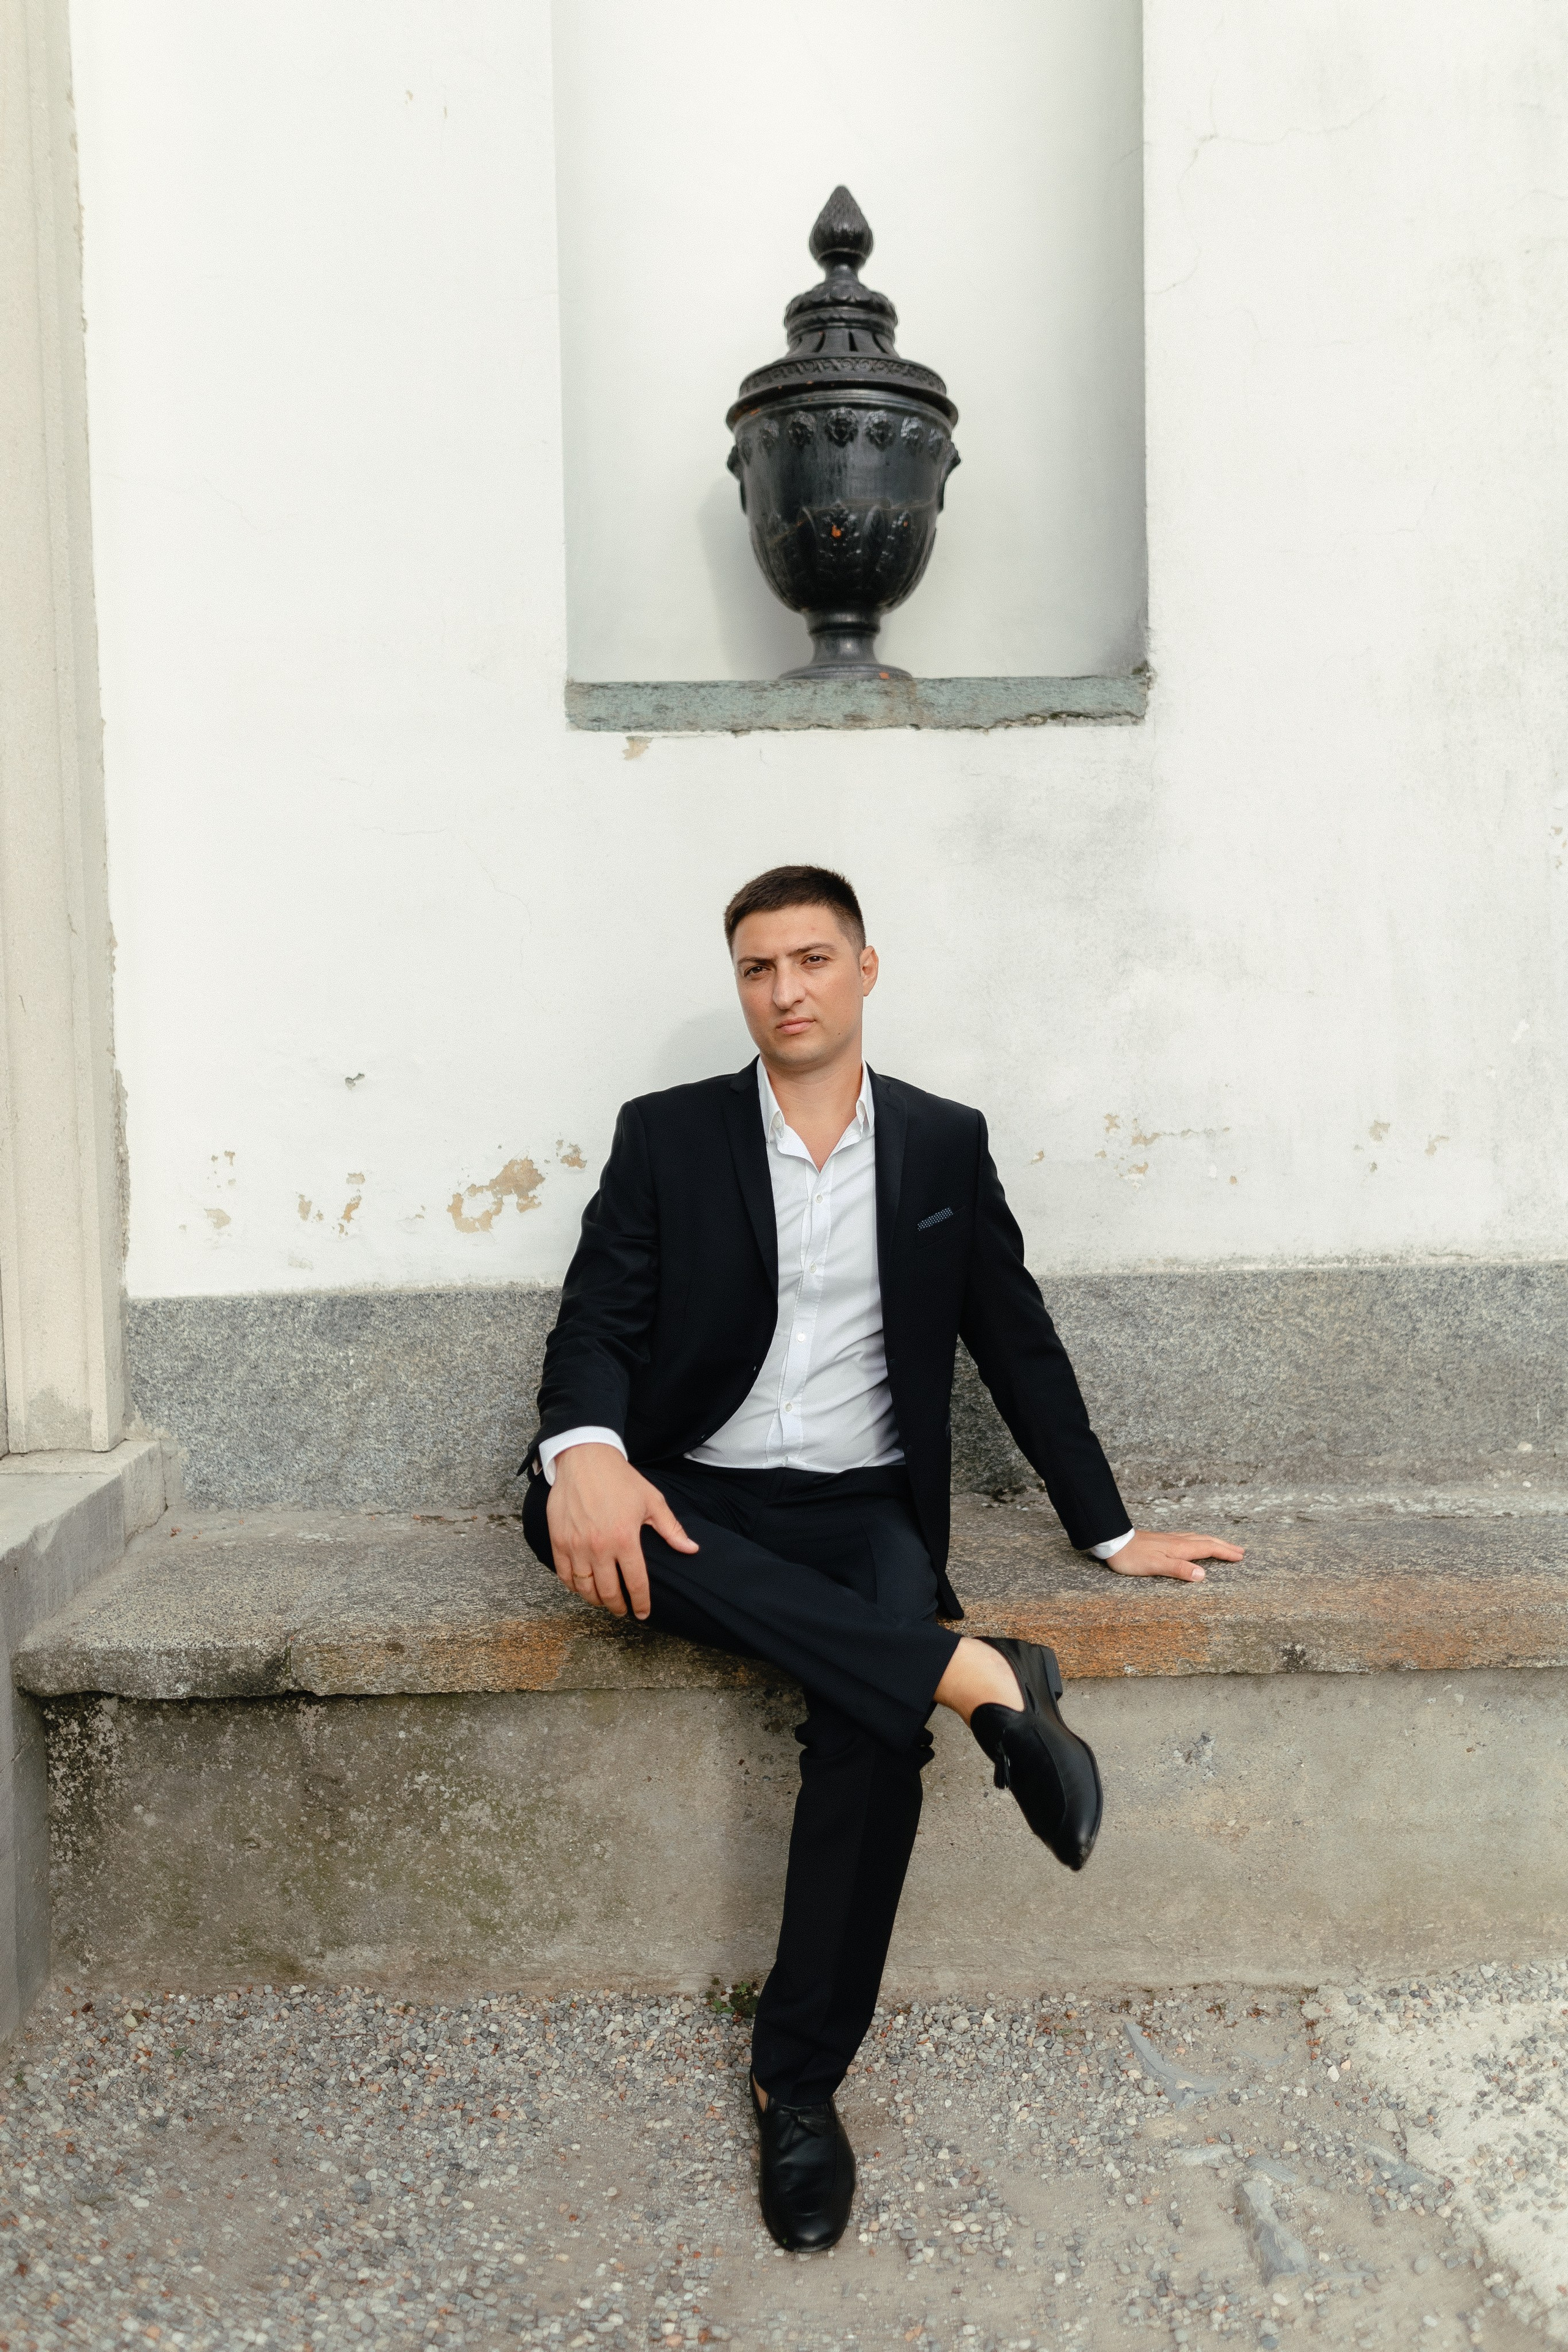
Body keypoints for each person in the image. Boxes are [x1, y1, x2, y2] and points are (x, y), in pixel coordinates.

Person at [522, 864, 1241, 2252]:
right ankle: (977, 1675)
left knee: (869, 1722)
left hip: (859, 1505)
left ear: (863, 968)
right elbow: (596, 1316)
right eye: (753, 968)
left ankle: (795, 2085)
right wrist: (591, 1450)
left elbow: (1013, 1339)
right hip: (693, 1493)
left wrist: (1109, 1527)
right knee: (562, 1508)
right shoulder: (666, 1135)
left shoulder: (940, 1144)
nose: (781, 989)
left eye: (807, 959)